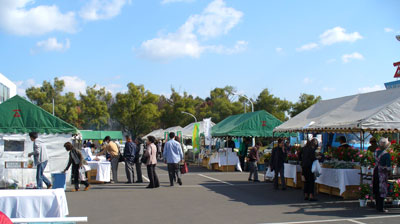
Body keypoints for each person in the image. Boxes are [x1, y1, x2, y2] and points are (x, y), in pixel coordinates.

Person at [373, 137, 391, 212]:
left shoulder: (375, 153)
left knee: (376, 188)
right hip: (382, 173)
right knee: (382, 189)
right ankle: (381, 207)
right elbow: (389, 167)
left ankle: (377, 206)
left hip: (376, 170)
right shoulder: (387, 155)